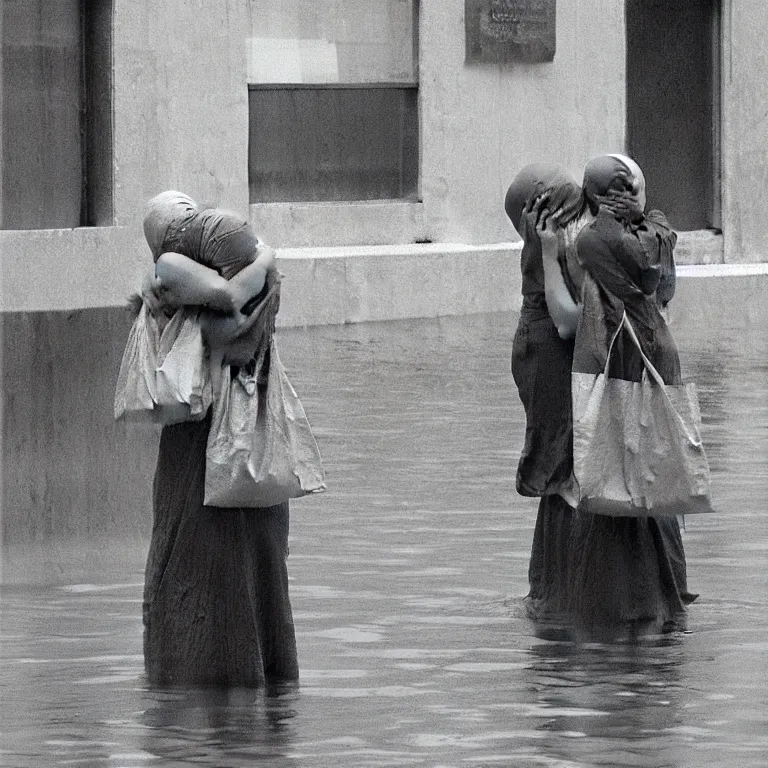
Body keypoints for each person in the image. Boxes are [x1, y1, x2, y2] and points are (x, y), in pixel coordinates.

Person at [533, 154, 697, 637]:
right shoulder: (660, 232)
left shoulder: (590, 242)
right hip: (658, 364)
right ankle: (667, 594)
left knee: (618, 469)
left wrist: (548, 252)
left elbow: (566, 319)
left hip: (619, 366)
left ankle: (629, 604)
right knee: (658, 470)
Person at [139, 193, 299, 686]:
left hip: (211, 457)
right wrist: (269, 257)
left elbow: (227, 301)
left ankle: (209, 709)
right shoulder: (238, 292)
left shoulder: (177, 300)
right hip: (240, 455)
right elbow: (231, 298)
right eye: (183, 216)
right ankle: (253, 708)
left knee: (214, 572)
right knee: (240, 575)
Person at [504, 164, 583, 626]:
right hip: (544, 351)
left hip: (546, 348)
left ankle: (559, 583)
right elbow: (565, 321)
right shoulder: (549, 247)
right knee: (559, 458)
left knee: (568, 455)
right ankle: (557, 585)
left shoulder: (558, 243)